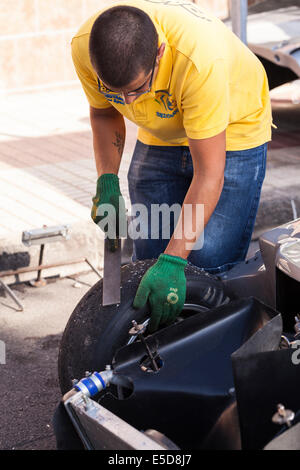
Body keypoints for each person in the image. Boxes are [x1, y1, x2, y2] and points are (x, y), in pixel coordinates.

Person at [71, 0, 273, 332]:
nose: (128, 101)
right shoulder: (85, 48)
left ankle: (213, 357)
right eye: (115, 91)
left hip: (234, 129)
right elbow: (105, 112)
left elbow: (209, 173)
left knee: (208, 264)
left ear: (160, 54)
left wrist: (175, 259)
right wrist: (106, 180)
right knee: (150, 253)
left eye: (137, 89)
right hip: (161, 130)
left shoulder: (199, 60)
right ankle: (152, 352)